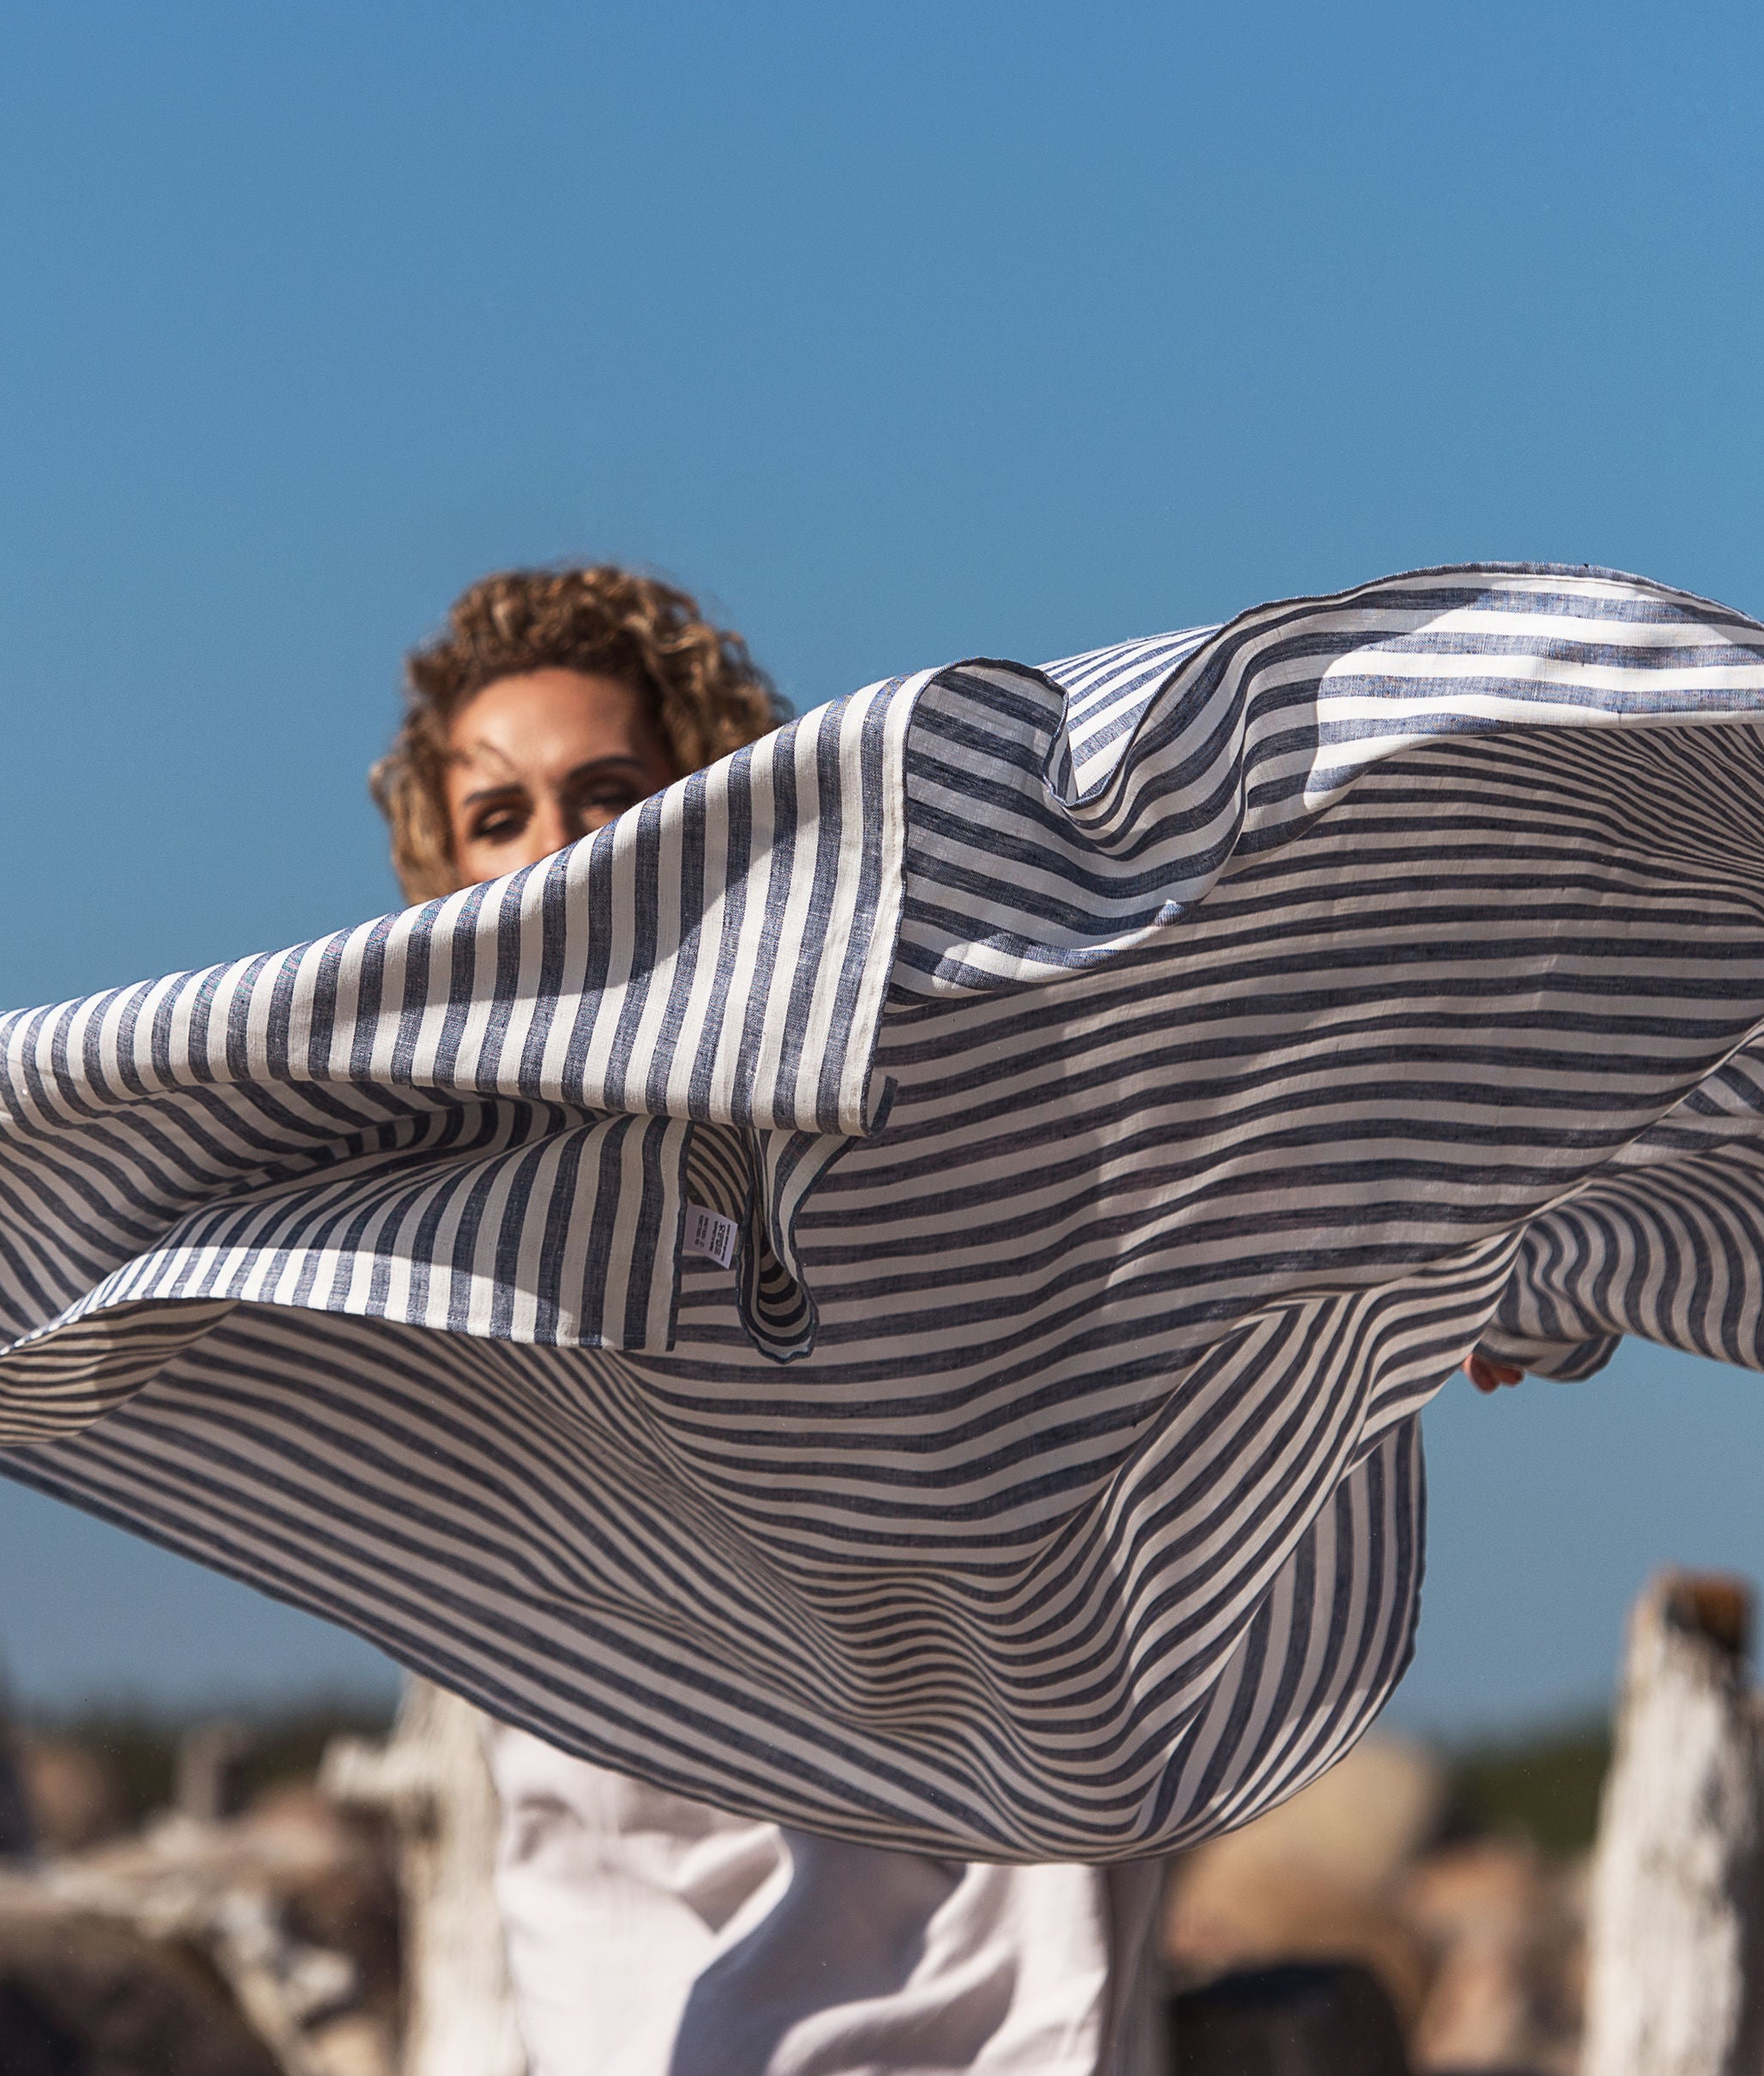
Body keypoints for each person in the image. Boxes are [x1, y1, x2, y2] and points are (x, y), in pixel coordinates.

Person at [370, 564, 1171, 2076]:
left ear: (708, 816)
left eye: (607, 793)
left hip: (966, 1950)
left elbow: (1201, 1198)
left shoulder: (905, 1102)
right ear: (441, 876)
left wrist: (1475, 1280)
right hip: (621, 1978)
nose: (556, 849)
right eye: (499, 815)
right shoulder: (421, 1211)